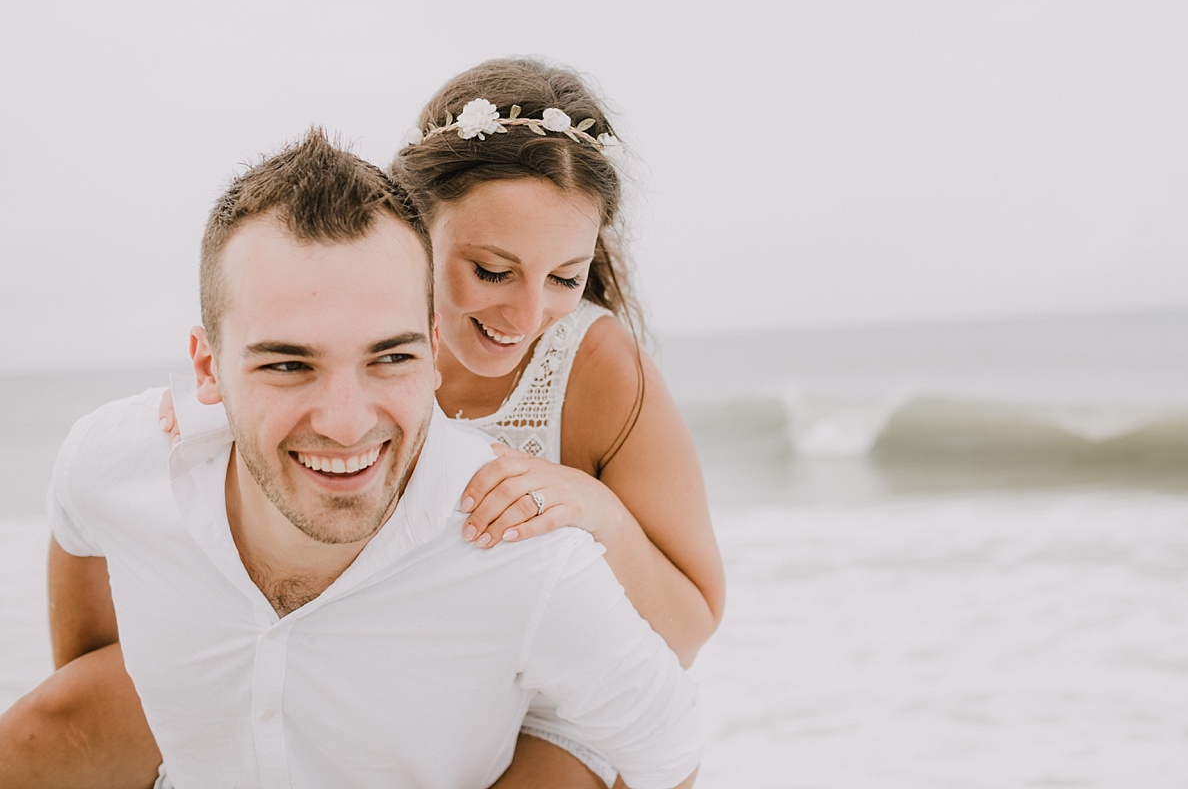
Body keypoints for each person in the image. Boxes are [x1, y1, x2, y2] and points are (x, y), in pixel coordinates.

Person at [0, 59, 724, 789]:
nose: (528, 316)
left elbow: (687, 635)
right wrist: (219, 394)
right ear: (411, 225)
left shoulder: (590, 370)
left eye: (565, 277)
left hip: (539, 688)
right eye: (493, 271)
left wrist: (593, 509)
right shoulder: (316, 308)